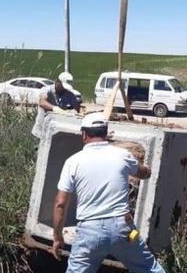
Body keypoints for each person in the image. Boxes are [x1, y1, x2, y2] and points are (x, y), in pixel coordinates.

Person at [51, 112, 165, 273]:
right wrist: (147, 168)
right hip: (122, 229)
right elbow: (143, 173)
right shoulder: (123, 155)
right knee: (149, 269)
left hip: (89, 231)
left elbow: (60, 204)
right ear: (106, 133)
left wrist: (57, 237)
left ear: (84, 134)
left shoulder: (73, 162)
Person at [31, 72, 81, 141]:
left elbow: (76, 107)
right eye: (62, 86)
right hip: (40, 132)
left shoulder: (69, 94)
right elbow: (42, 102)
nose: (63, 89)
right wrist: (54, 108)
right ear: (57, 81)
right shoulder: (46, 90)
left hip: (56, 134)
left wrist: (72, 112)